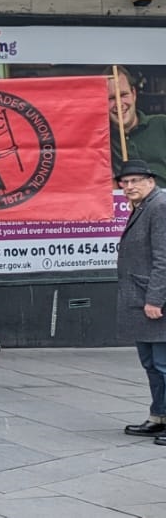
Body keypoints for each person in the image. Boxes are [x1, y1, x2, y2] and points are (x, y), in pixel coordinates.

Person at [116, 160, 166, 445]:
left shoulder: (159, 206)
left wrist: (156, 299)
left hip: (153, 301)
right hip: (140, 299)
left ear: (150, 180)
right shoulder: (144, 205)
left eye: (136, 180)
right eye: (125, 182)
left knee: (163, 364)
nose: (129, 186)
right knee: (151, 363)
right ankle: (159, 416)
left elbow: (163, 258)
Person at [109, 68, 166, 181]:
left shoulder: (161, 124)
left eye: (123, 94)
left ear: (134, 94)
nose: (119, 104)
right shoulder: (102, 138)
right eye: (111, 98)